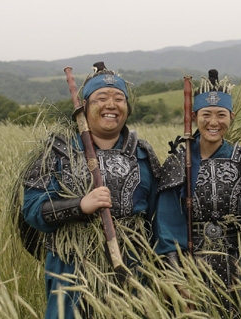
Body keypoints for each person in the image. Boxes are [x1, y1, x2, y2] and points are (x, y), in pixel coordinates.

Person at [20, 62, 160, 319]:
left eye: (119, 98)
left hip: (132, 272)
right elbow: (31, 209)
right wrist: (79, 206)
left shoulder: (143, 154)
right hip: (70, 272)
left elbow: (156, 217)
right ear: (83, 107)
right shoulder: (58, 152)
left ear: (127, 108)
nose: (111, 105)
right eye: (101, 98)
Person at [154, 70, 241, 318]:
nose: (214, 122)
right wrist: (180, 280)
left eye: (221, 115)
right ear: (194, 117)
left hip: (238, 268)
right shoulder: (179, 163)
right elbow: (167, 227)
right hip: (191, 267)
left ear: (231, 117)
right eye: (206, 115)